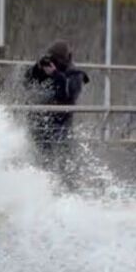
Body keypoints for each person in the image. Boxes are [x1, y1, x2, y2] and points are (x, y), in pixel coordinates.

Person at [25, 41, 87, 176]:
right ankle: (41, 178)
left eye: (56, 59)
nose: (54, 63)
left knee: (64, 156)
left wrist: (55, 74)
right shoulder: (47, 71)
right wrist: (37, 68)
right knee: (41, 156)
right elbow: (27, 82)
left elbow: (68, 94)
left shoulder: (75, 74)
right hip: (42, 121)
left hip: (61, 123)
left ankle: (67, 181)